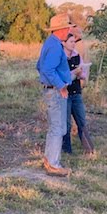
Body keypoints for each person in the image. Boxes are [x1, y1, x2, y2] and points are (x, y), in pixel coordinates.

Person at [37, 13, 75, 177]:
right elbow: (46, 69)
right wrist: (60, 86)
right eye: (67, 27)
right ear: (62, 29)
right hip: (55, 91)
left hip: (51, 89)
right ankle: (53, 164)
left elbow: (39, 65)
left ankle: (49, 159)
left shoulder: (50, 43)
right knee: (58, 127)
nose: (69, 30)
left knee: (55, 126)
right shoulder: (54, 46)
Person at [61, 33, 95, 155]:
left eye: (74, 41)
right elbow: (61, 77)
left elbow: (83, 75)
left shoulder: (77, 55)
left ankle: (89, 149)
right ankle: (67, 150)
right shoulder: (61, 58)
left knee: (82, 121)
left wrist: (80, 74)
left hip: (76, 92)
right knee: (66, 123)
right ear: (64, 43)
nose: (73, 43)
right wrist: (73, 73)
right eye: (70, 41)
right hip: (65, 93)